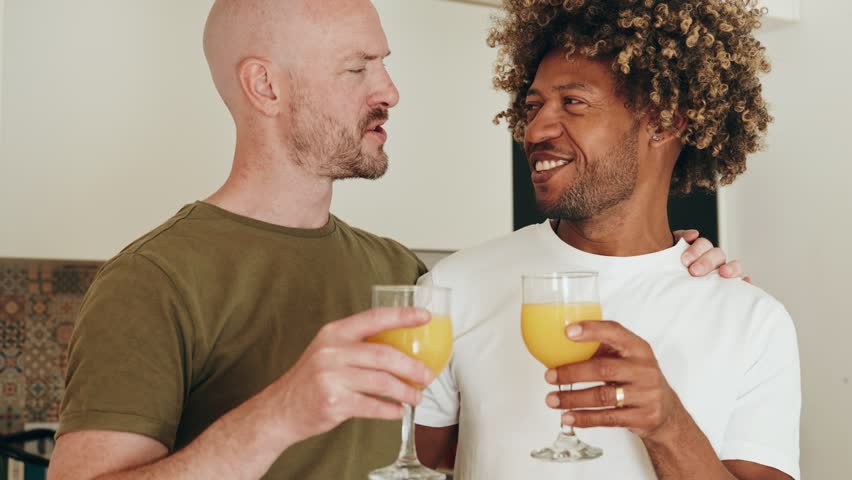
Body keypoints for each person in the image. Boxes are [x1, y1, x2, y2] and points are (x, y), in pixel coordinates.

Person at [47, 1, 739, 479]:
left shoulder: (401, 272)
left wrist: (664, 264)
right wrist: (281, 414)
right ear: (264, 86)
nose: (391, 90)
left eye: (384, 62)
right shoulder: (153, 280)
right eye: (358, 69)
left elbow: (460, 449)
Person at [415, 1, 799, 480]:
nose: (535, 130)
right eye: (532, 107)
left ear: (663, 122)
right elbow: (429, 456)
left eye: (572, 102)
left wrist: (668, 425)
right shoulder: (455, 285)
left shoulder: (752, 319)